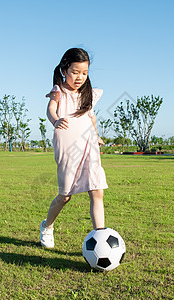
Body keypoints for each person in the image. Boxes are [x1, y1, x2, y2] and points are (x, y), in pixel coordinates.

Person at [40, 48, 108, 248]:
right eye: (75, 72)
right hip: (67, 148)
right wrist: (55, 120)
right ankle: (47, 226)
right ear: (64, 69)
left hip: (89, 147)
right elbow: (50, 109)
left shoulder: (88, 95)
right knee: (65, 195)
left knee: (97, 190)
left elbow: (91, 117)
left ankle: (100, 238)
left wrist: (96, 135)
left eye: (84, 73)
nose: (80, 77)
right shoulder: (59, 91)